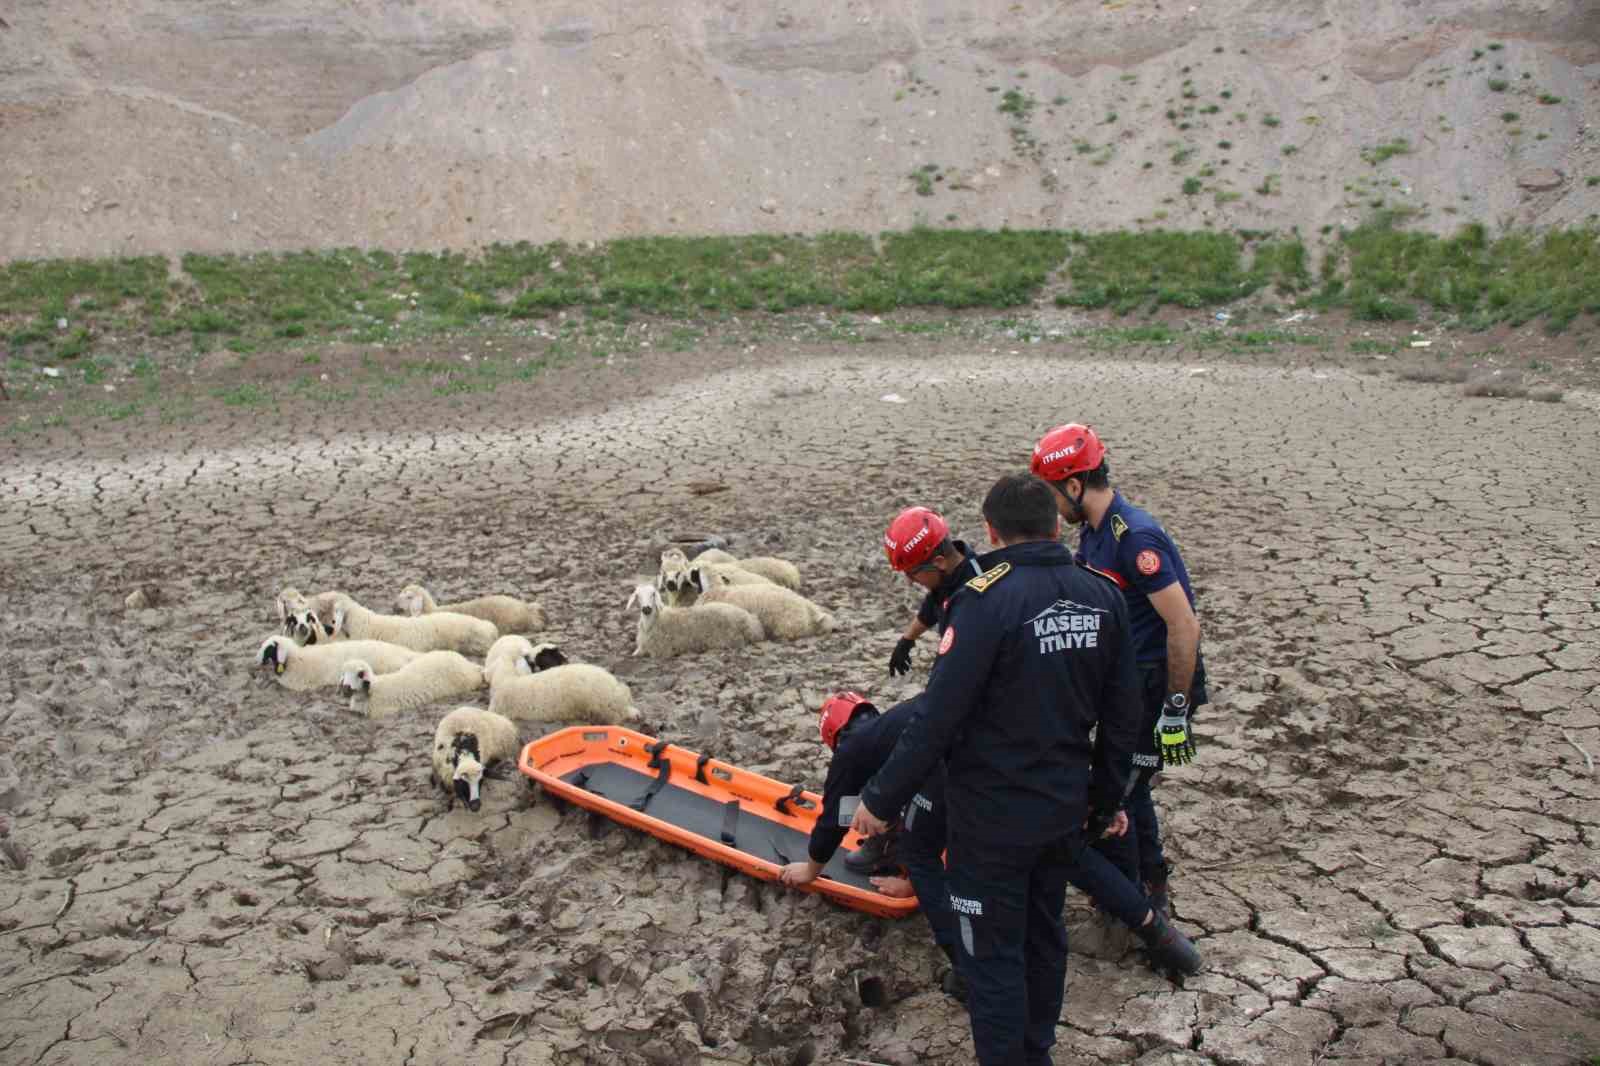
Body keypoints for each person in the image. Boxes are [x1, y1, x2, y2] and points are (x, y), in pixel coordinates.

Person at [852, 474, 1199, 1066]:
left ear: (990, 531)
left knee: (992, 959)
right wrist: (1106, 801)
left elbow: (937, 719)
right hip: (1064, 808)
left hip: (990, 823)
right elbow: (1122, 718)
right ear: (1055, 520)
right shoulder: (1103, 594)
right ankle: (1037, 1053)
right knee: (1045, 941)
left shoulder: (984, 602)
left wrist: (881, 800)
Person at [1030, 423, 1207, 919]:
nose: (1051, 509)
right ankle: (1145, 883)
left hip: (1154, 685)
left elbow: (1183, 625)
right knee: (1132, 787)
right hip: (1125, 685)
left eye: (1051, 493)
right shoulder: (1095, 535)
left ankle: (1143, 898)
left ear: (1073, 485)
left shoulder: (1134, 537)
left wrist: (1175, 709)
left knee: (1123, 791)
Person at [776, 692, 964, 997]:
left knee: (921, 855)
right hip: (971, 746)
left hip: (947, 764)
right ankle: (892, 849)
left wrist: (811, 870)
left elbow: (833, 818)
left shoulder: (852, 750)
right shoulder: (889, 729)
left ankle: (966, 969)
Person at [883, 507, 985, 677]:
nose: (909, 580)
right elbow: (933, 603)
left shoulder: (976, 597)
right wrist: (907, 639)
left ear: (939, 562)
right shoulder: (951, 574)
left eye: (912, 573)